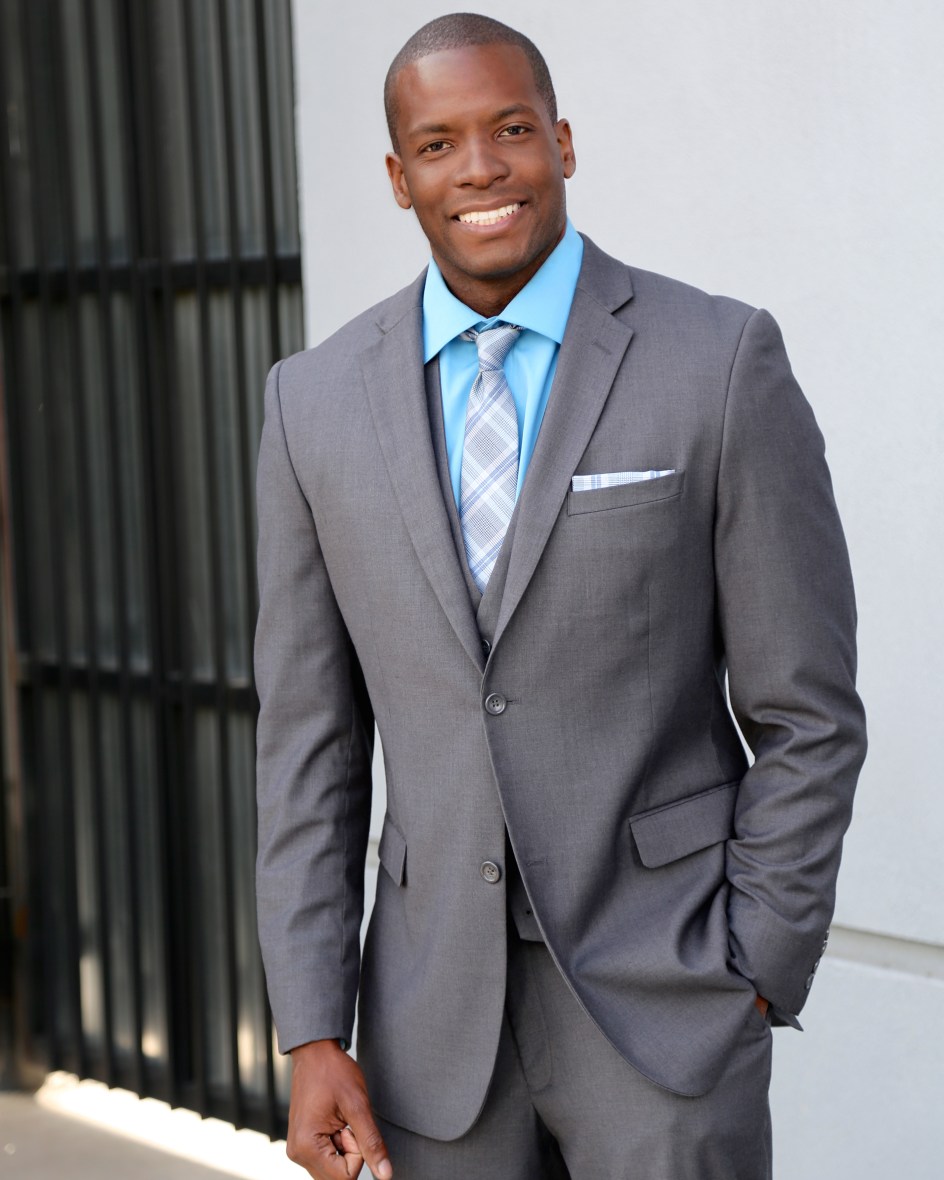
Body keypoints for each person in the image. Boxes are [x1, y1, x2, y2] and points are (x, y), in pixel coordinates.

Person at [254, 13, 867, 1180]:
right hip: (428, 1033)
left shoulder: (716, 359)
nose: (479, 168)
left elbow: (807, 712)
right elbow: (306, 747)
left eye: (510, 129)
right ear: (396, 176)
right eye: (437, 145)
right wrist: (312, 1028)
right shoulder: (309, 404)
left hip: (666, 1008)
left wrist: (755, 966)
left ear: (563, 142)